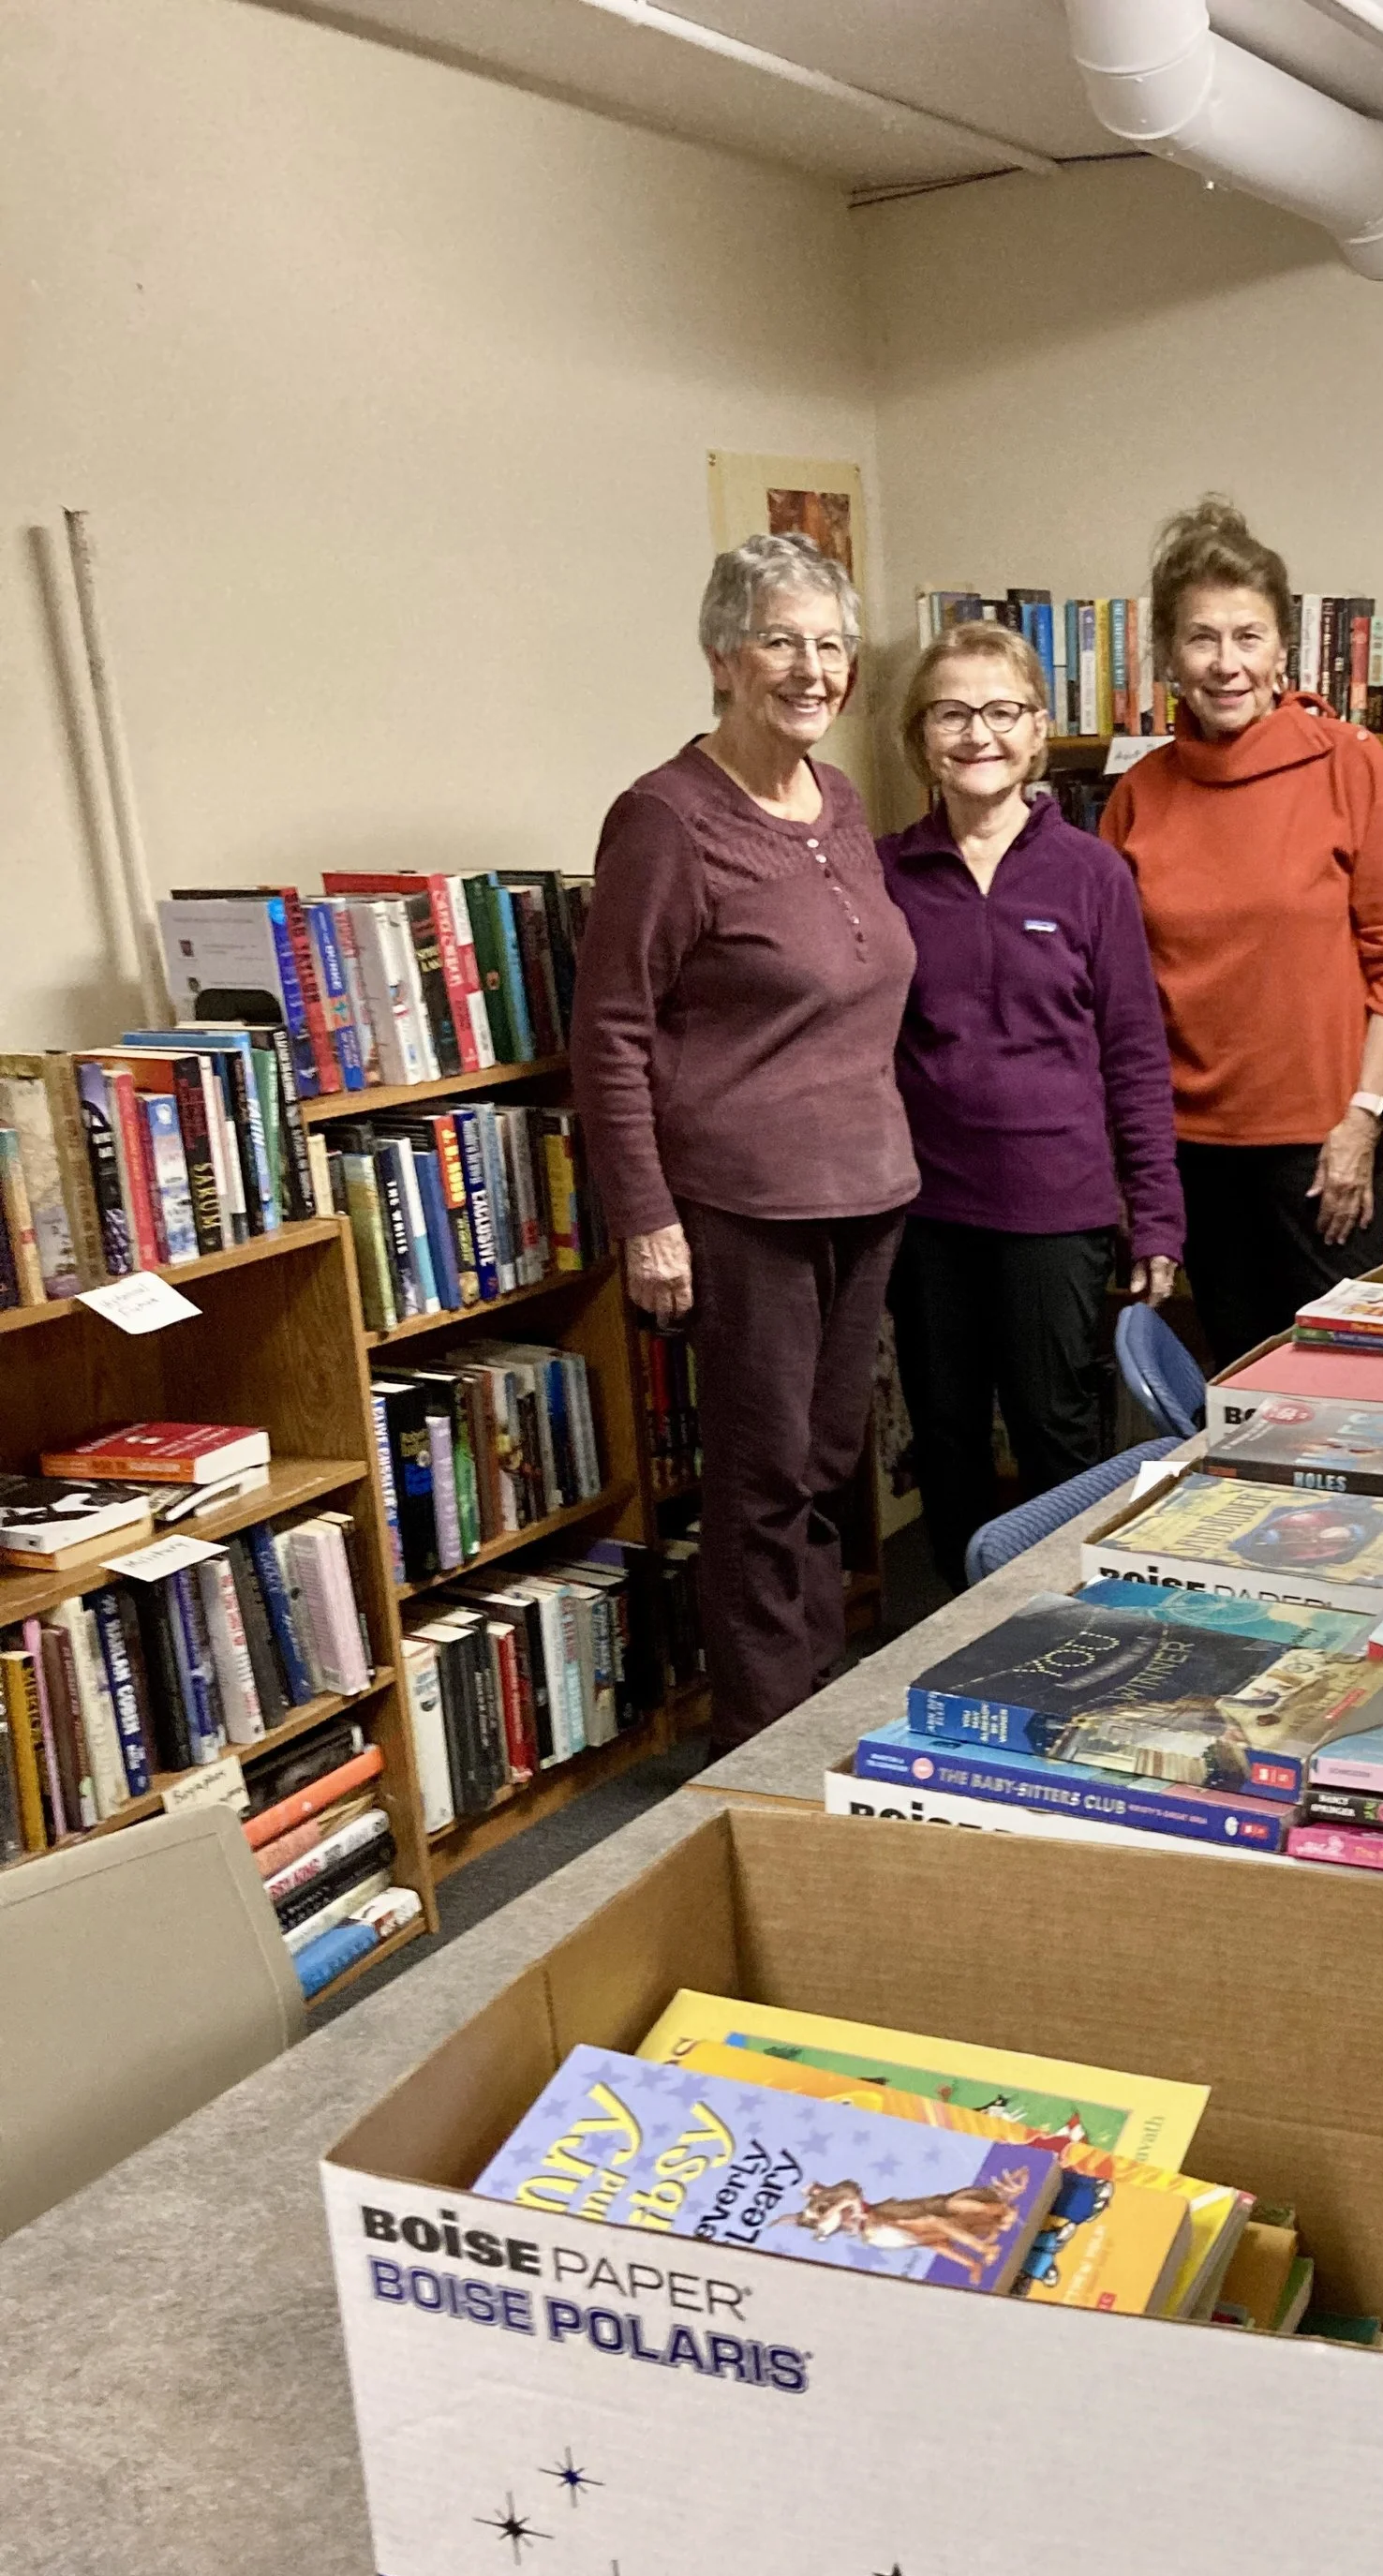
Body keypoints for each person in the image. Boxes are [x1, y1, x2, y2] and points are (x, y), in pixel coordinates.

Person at [569, 531, 918, 1754]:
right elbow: (609, 1033)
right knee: (762, 1489)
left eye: (831, 644)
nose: (812, 668)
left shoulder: (840, 799)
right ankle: (768, 1749)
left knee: (827, 1474)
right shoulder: (667, 819)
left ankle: (815, 1697)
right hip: (747, 1206)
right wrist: (648, 1217)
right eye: (783, 639)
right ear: (724, 655)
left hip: (865, 1190)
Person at [880, 621, 1182, 1588]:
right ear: (920, 735)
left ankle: (1069, 1636)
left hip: (1057, 1210)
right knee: (949, 1442)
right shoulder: (882, 874)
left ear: (1039, 730)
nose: (979, 734)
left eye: (1002, 711)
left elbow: (1133, 1054)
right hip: (925, 1215)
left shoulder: (1091, 873)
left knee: (1061, 1446)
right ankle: (950, 1646)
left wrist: (1157, 1217)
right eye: (953, 713)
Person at [1102, 495, 1383, 1368]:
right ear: (1169, 655)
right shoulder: (1139, 797)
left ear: (1281, 648)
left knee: (1347, 1384)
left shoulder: (1353, 765)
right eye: (1202, 638)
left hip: (1324, 1149)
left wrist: (1362, 1121)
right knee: (1241, 1387)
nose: (1225, 664)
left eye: (1247, 637)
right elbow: (1117, 989)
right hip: (1191, 1154)